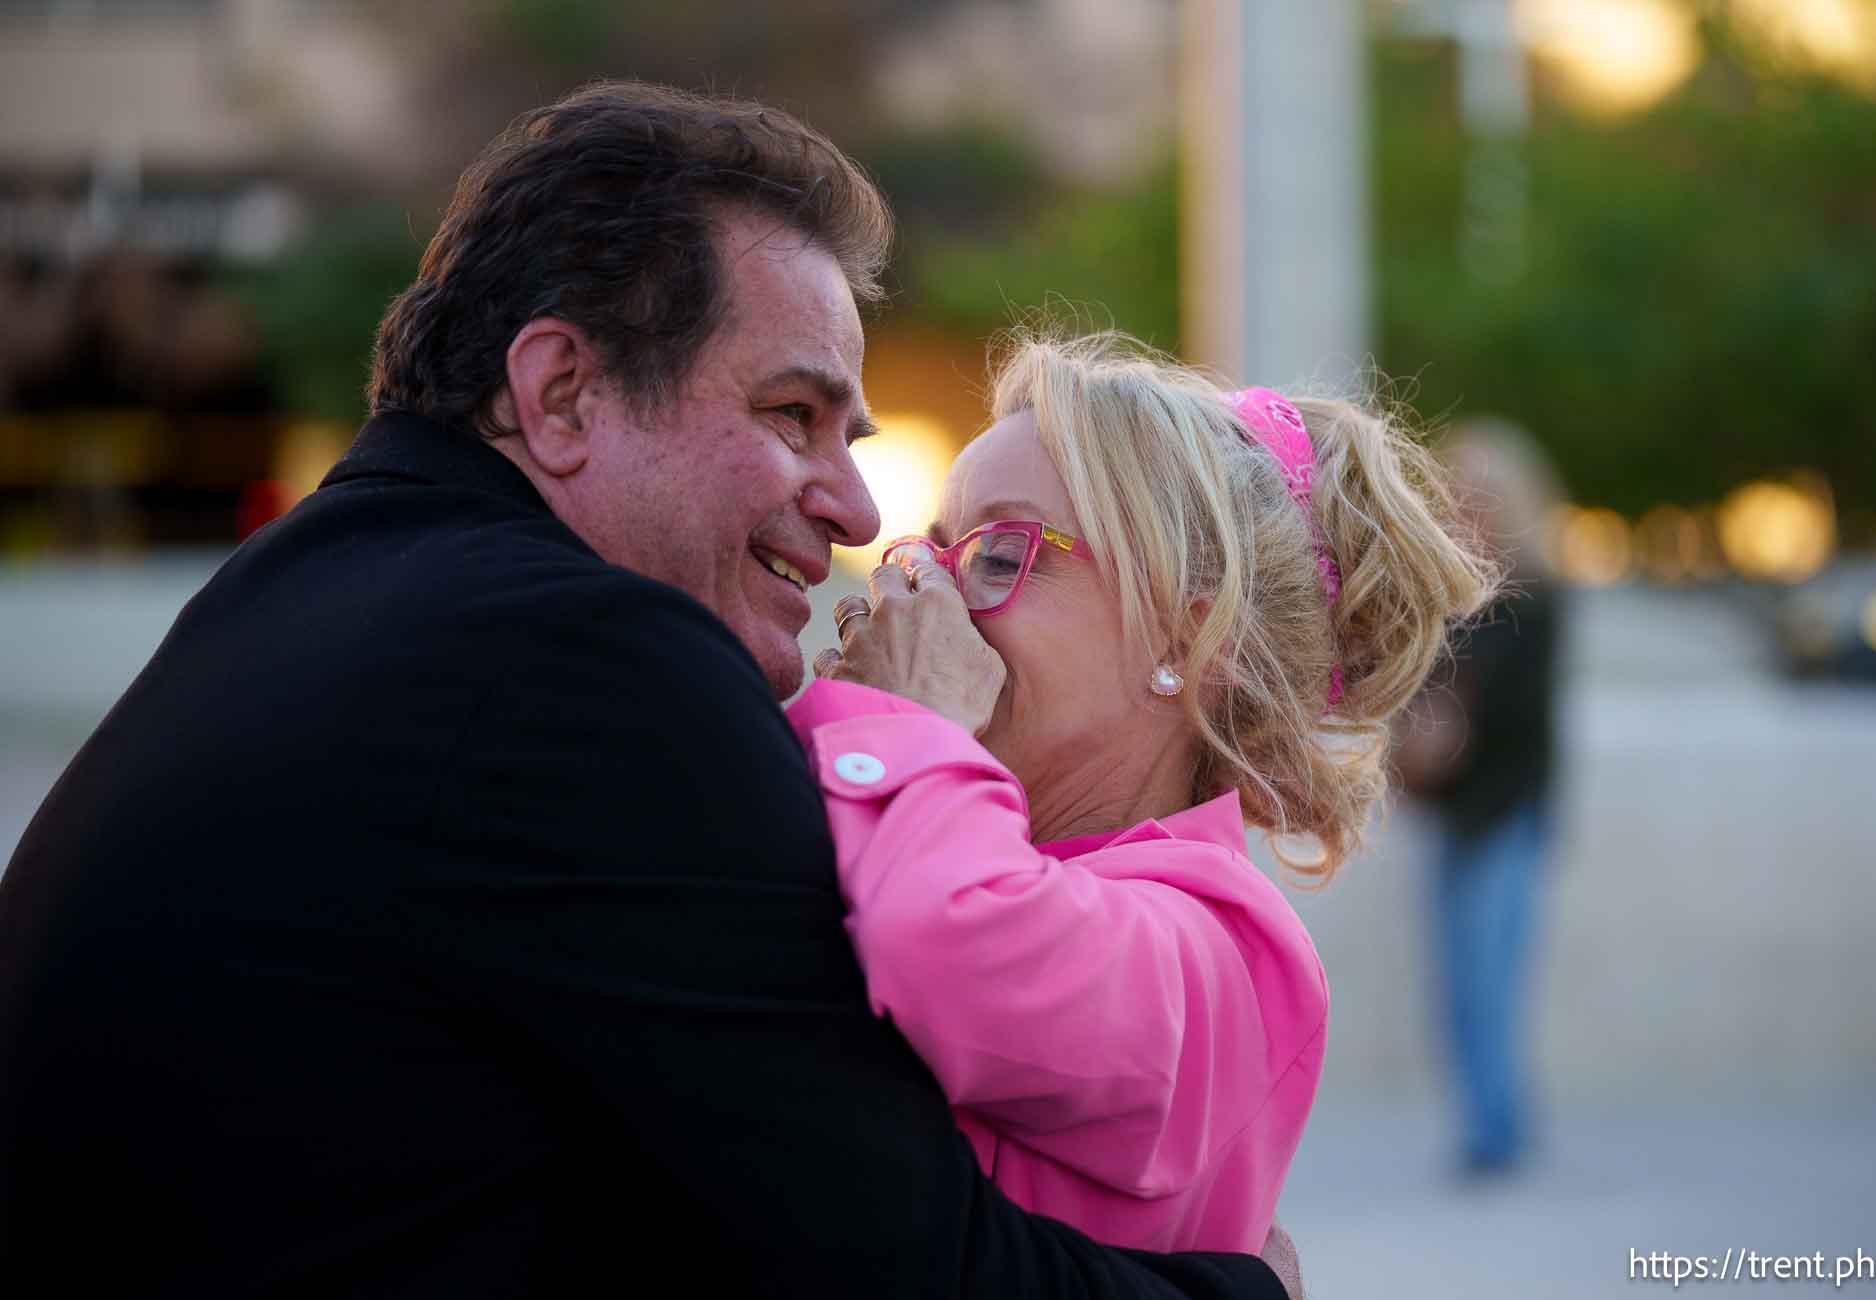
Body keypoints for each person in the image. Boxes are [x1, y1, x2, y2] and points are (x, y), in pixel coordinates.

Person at [0, 83, 1291, 1299]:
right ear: (562, 394)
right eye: (793, 414)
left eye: (852, 441)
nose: (852, 515)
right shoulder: (578, 663)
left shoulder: (326, 592)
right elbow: (897, 1264)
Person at [792, 333, 1497, 1252]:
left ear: (1190, 642)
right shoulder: (932, 820)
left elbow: (948, 944)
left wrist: (907, 726)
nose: (921, 592)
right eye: (930, 551)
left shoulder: (1225, 950)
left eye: (999, 556)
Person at [1394, 419, 1565, 1179]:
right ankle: (1489, 1119)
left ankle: (1496, 1128)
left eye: (1480, 492)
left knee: (1490, 974)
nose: (1467, 505)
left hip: (1507, 809)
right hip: (1456, 810)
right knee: (1458, 981)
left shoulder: (1537, 599)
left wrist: (1448, 724)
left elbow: (1516, 713)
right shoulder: (1448, 596)